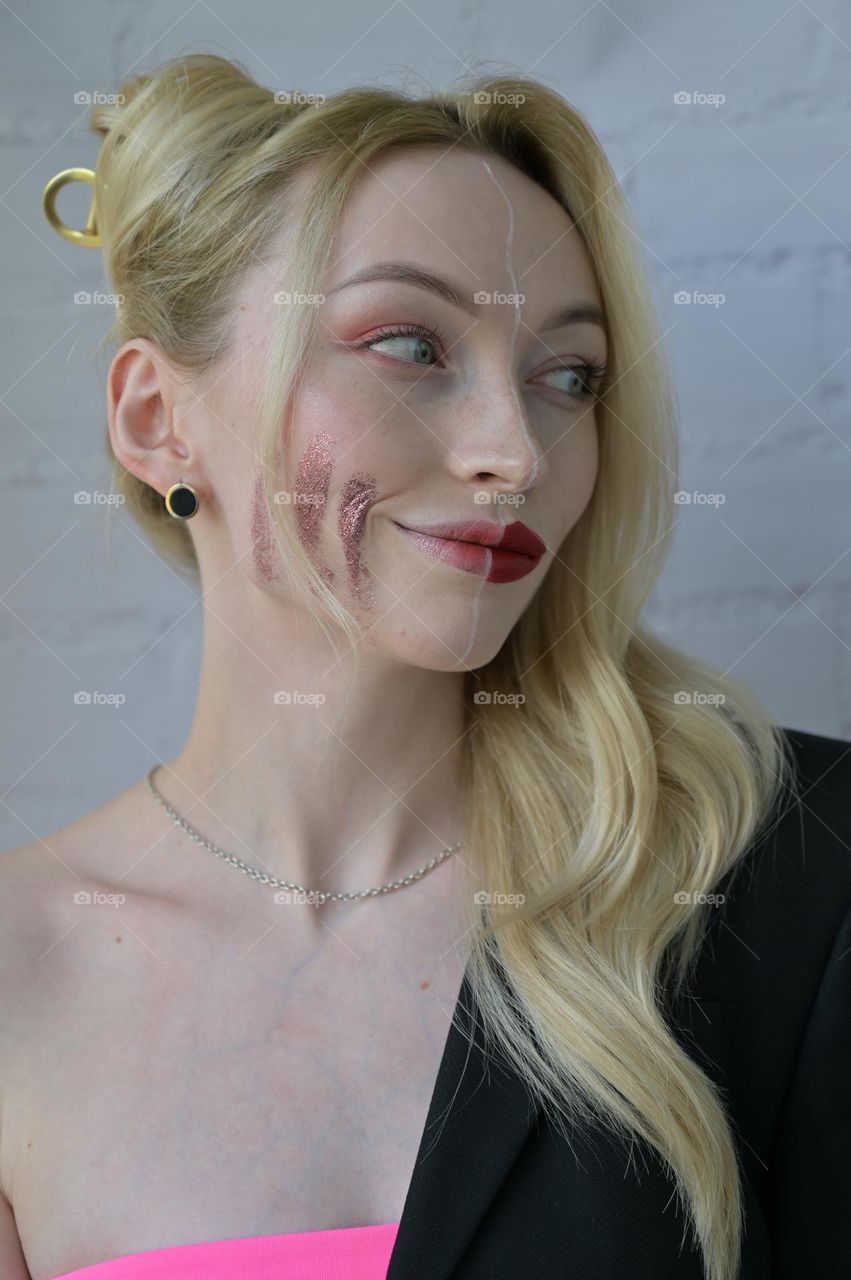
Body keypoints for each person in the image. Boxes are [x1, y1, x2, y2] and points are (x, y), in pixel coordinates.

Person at [1, 51, 848, 1280]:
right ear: (155, 420)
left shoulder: (784, 881)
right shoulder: (22, 963)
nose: (516, 448)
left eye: (568, 376)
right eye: (408, 344)